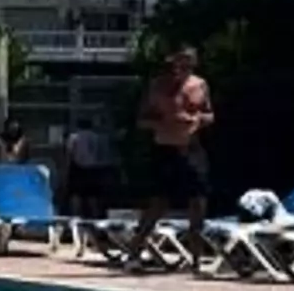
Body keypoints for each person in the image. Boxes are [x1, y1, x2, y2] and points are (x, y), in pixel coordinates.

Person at [126, 46, 213, 269]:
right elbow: (141, 120)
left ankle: (196, 260)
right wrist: (165, 122)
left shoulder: (200, 85)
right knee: (158, 203)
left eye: (188, 64)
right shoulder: (157, 87)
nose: (182, 69)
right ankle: (134, 253)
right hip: (165, 148)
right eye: (179, 64)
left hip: (191, 148)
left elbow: (209, 115)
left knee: (198, 202)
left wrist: (197, 119)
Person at [65, 115, 113, 220]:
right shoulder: (96, 137)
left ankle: (75, 215)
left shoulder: (74, 137)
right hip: (93, 168)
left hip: (77, 167)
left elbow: (70, 153)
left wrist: (66, 168)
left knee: (76, 193)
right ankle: (95, 215)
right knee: (92, 194)